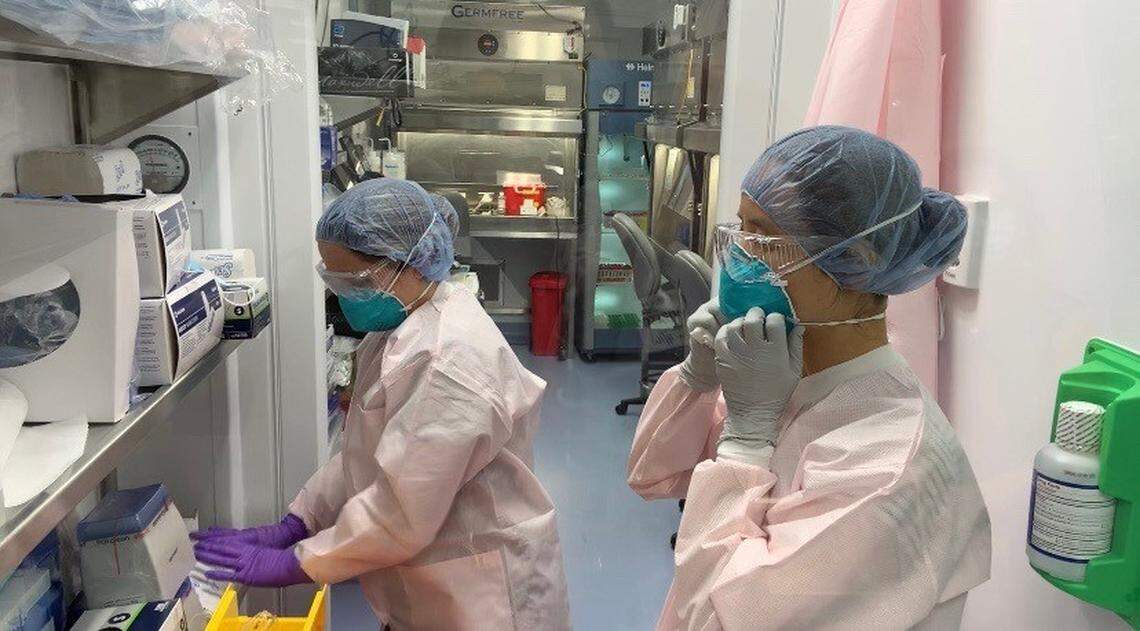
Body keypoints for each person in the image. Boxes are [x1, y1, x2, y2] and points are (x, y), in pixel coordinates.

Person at [627, 126, 991, 630]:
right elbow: (651, 474)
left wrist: (747, 440)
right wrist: (698, 377)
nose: (738, 257)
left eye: (764, 241)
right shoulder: (782, 377)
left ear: (854, 261)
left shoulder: (882, 470)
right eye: (740, 230)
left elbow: (717, 619)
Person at [193, 179, 571, 631]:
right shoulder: (401, 328)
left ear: (411, 265)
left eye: (353, 280)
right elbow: (365, 449)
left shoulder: (446, 362)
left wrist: (299, 561)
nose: (342, 294)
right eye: (332, 279)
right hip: (434, 581)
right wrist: (301, 519)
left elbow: (401, 512)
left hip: (483, 595)